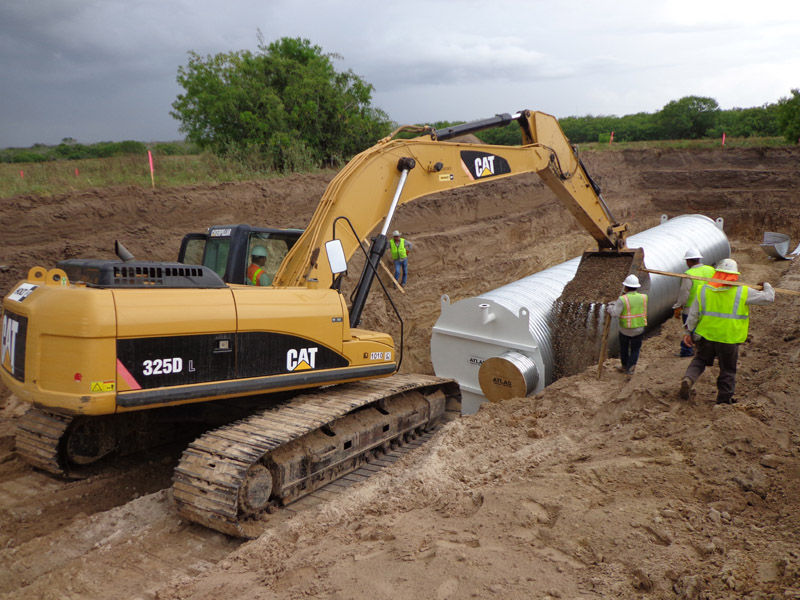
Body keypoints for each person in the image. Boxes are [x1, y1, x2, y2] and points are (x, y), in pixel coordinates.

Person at [679, 258, 774, 404]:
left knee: (700, 360)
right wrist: (766, 285)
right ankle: (723, 401)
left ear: (717, 273)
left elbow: (693, 313)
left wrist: (687, 332)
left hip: (706, 336)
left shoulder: (704, 290)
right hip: (729, 339)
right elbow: (769, 298)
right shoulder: (743, 292)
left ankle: (688, 379)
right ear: (734, 275)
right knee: (728, 370)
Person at [672, 248, 716, 357]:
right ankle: (706, 350)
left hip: (691, 307)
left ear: (689, 261)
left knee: (689, 328)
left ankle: (687, 351)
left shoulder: (688, 274)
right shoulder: (710, 270)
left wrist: (679, 306)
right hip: (709, 306)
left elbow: (684, 293)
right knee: (704, 328)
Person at [606, 274, 648, 376]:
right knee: (635, 349)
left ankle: (624, 366)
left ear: (626, 287)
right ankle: (631, 368)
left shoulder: (622, 299)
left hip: (625, 329)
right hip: (639, 328)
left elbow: (615, 314)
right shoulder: (644, 297)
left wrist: (611, 306)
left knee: (624, 348)